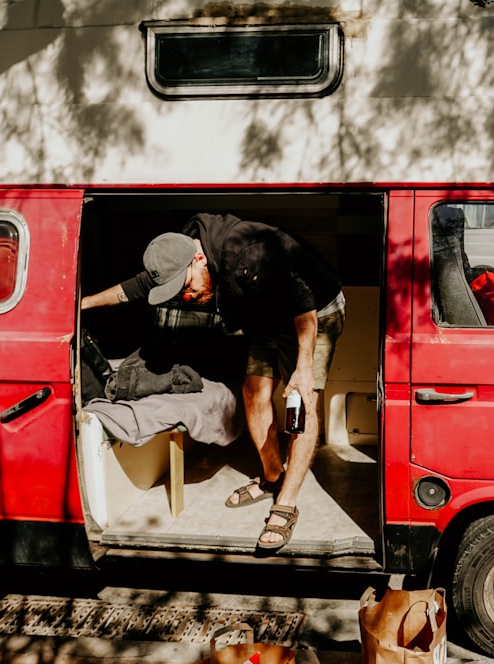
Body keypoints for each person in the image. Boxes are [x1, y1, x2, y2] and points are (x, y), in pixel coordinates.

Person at [82, 213, 344, 551]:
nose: (187, 296)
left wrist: (304, 370)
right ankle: (272, 476)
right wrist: (79, 306)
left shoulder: (248, 255)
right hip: (269, 314)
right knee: (253, 390)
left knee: (302, 400)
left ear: (200, 258)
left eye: (187, 287)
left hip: (314, 312)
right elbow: (133, 288)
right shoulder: (176, 253)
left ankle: (287, 501)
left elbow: (303, 304)